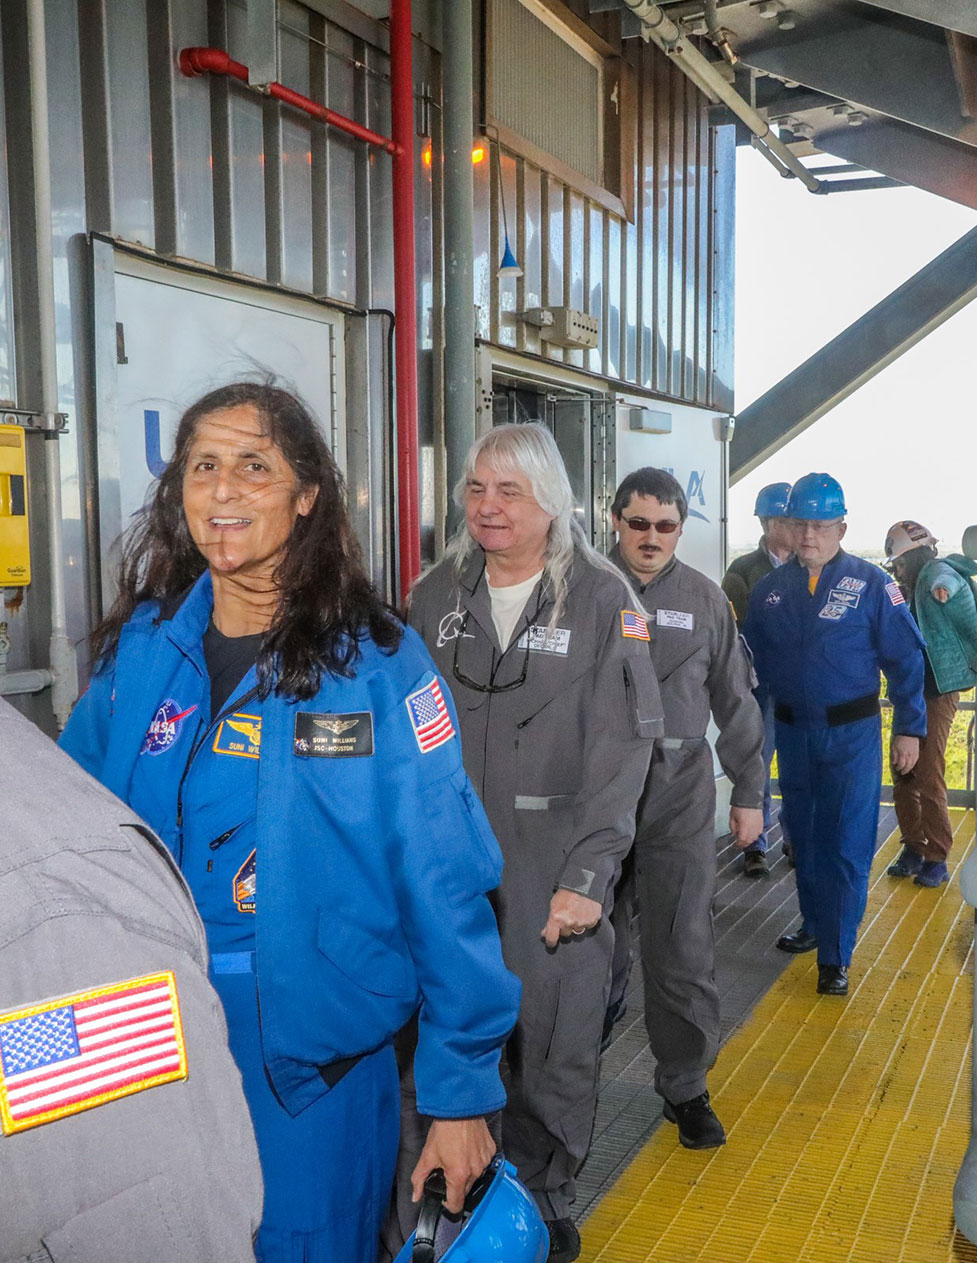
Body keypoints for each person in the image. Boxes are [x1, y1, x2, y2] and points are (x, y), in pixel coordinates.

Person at [58, 382, 520, 1263]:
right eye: (203, 466)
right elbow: (70, 823)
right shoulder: (145, 649)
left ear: (308, 494)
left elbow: (445, 880)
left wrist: (460, 1094)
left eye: (254, 466)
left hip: (306, 1068)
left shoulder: (377, 664)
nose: (222, 490)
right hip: (144, 1039)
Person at [406, 423, 662, 1263]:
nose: (487, 507)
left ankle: (544, 1194)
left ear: (550, 499)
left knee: (553, 1037)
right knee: (446, 1022)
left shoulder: (601, 598)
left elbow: (624, 752)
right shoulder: (435, 593)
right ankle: (450, 1185)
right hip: (447, 862)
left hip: (552, 857)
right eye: (476, 490)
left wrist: (589, 875)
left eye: (508, 492)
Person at [1, 696, 262, 1261]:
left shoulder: (54, 918)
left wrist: (458, 1085)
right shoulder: (145, 654)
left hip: (309, 1048)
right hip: (194, 1002)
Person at [605, 467, 764, 1149]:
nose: (651, 537)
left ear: (680, 527)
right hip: (595, 793)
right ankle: (566, 1080)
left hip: (677, 792)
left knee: (681, 944)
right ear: (616, 521)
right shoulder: (579, 588)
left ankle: (686, 1085)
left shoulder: (703, 599)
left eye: (665, 525)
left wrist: (751, 792)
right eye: (638, 523)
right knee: (582, 948)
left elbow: (736, 700)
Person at [743, 473, 927, 998]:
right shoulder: (770, 592)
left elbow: (906, 659)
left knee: (846, 844)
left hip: (853, 734)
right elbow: (749, 666)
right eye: (800, 524)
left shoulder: (871, 584)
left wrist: (911, 728)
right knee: (803, 836)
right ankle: (813, 923)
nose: (808, 536)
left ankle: (836, 955)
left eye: (821, 526)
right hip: (794, 732)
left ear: (841, 527)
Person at [882, 520, 977, 888]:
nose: (896, 569)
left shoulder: (935, 574)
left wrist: (941, 590)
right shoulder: (907, 588)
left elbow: (948, 579)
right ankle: (914, 847)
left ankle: (935, 855)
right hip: (911, 689)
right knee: (903, 769)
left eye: (899, 562)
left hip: (937, 689)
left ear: (913, 557)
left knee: (926, 771)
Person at [721, 481, 793, 877]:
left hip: (800, 687)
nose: (794, 527)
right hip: (761, 684)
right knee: (758, 764)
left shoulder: (812, 566)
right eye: (784, 519)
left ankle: (794, 837)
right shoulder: (743, 571)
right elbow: (734, 630)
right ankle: (756, 846)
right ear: (767, 523)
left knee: (799, 765)